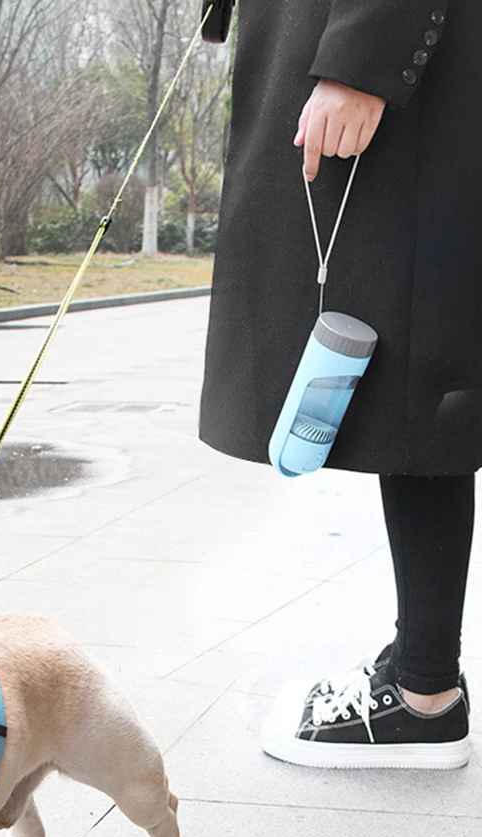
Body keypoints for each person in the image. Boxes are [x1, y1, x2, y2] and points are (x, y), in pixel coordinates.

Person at [199, 0, 480, 768]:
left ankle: (425, 695)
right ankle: (421, 674)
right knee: (422, 369)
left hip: (403, 72)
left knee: (423, 363)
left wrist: (363, 59)